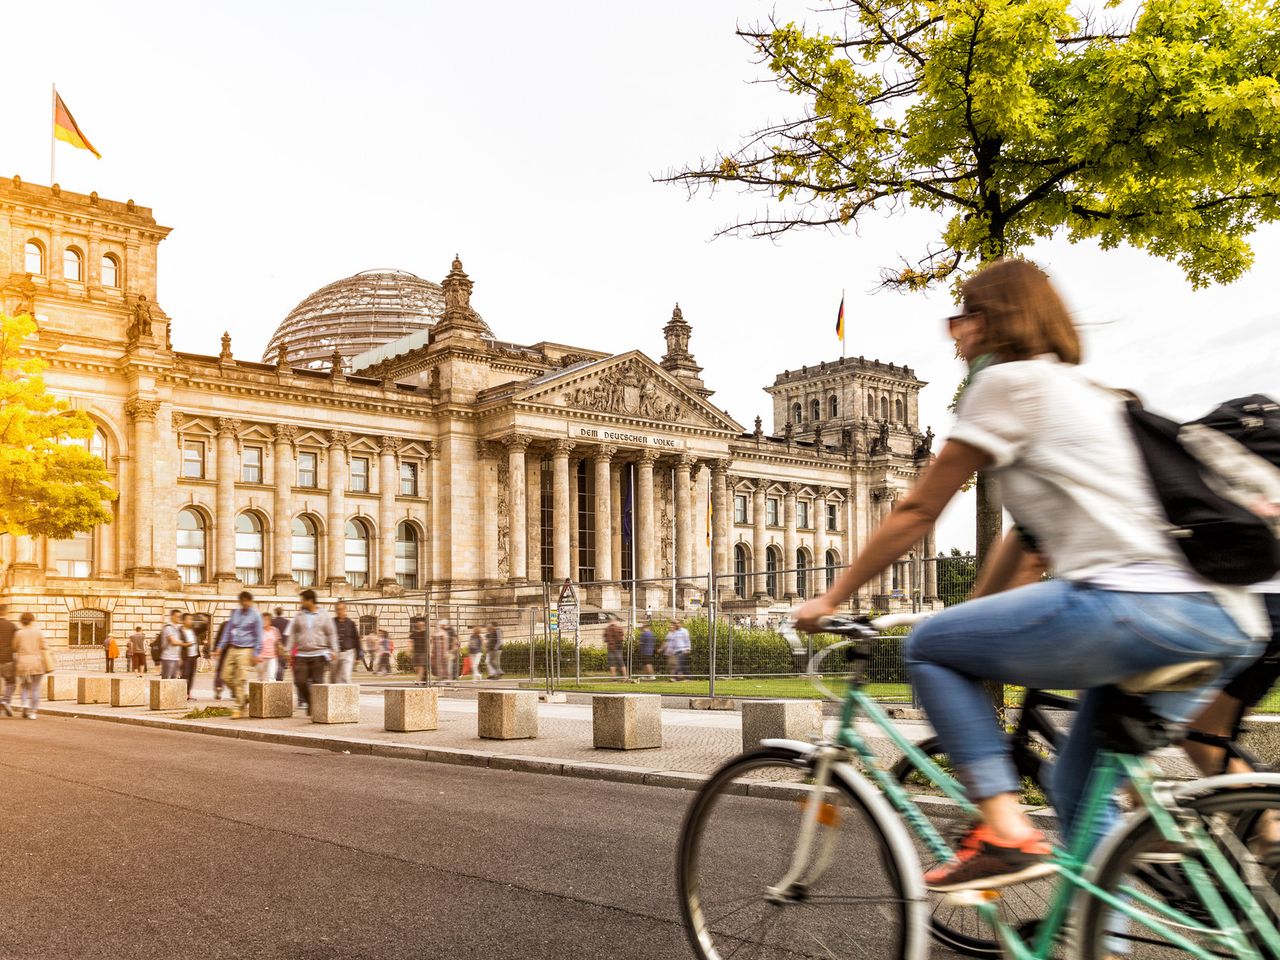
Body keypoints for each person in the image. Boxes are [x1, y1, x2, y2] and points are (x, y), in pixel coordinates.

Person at [795, 258, 1267, 892]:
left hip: (1130, 606)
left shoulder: (1005, 384)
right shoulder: (1100, 396)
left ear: (996, 321)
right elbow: (1034, 537)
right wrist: (985, 611)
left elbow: (917, 508)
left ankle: (1003, 830)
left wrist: (832, 597)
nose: (953, 330)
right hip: (1223, 618)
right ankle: (1107, 935)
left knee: (930, 645)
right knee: (1080, 792)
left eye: (964, 314)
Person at [286, 589, 337, 713]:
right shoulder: (299, 616)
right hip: (301, 654)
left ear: (310, 600)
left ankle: (317, 709)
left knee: (317, 683)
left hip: (319, 653)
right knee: (299, 681)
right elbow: (293, 633)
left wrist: (334, 650)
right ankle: (310, 702)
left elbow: (331, 634)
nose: (301, 602)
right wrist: (288, 651)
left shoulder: (324, 615)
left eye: (303, 600)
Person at [217, 591, 264, 718]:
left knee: (240, 678)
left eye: (247, 601)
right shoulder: (236, 613)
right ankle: (243, 697)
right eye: (242, 601)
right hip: (233, 647)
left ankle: (238, 707)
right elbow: (227, 631)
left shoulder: (256, 616)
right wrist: (220, 646)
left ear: (250, 601)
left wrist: (256, 653)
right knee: (225, 676)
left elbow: (259, 636)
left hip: (247, 649)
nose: (245, 603)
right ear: (240, 601)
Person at [13, 612, 48, 719]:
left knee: (24, 687)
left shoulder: (19, 633)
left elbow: (14, 647)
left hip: (22, 663)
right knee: (35, 688)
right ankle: (33, 712)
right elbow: (44, 646)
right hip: (36, 663)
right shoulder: (38, 633)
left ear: (21, 621)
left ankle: (25, 703)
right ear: (33, 620)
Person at [331, 601, 360, 684]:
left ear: (345, 609)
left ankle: (347, 695)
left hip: (348, 653)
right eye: (337, 609)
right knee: (333, 678)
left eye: (341, 609)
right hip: (335, 654)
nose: (339, 611)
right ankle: (334, 695)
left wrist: (358, 656)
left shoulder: (351, 623)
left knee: (346, 676)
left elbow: (356, 639)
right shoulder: (331, 622)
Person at [178, 614, 201, 700]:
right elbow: (177, 645)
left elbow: (203, 628)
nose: (191, 621)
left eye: (191, 619)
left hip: (194, 656)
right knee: (185, 675)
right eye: (189, 619)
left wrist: (205, 620)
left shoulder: (193, 630)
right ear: (183, 621)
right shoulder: (179, 631)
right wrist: (179, 657)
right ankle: (182, 693)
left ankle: (187, 694)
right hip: (185, 657)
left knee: (191, 675)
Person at [158, 609, 184, 680]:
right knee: (166, 680)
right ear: (172, 617)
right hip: (168, 657)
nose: (179, 618)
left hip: (176, 658)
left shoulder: (177, 628)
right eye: (177, 617)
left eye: (180, 617)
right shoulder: (168, 628)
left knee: (174, 680)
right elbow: (173, 642)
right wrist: (184, 643)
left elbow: (177, 643)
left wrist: (180, 657)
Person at [0, 605, 15, 717]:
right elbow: (16, 644)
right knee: (11, 682)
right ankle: (5, 700)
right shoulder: (11, 626)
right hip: (7, 659)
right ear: (6, 612)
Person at [258, 616, 281, 683]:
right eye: (263, 620)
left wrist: (278, 651)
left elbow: (277, 642)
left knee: (271, 676)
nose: (264, 622)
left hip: (272, 657)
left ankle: (272, 692)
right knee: (261, 677)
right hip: (261, 657)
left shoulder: (274, 630)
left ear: (270, 621)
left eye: (266, 620)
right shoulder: (259, 631)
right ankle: (262, 692)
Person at [271, 607, 290, 681]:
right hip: (284, 645)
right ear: (282, 612)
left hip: (274, 645)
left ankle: (275, 678)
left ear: (275, 612)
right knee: (281, 664)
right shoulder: (287, 622)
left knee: (274, 664)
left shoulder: (272, 621)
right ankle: (279, 679)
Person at [411, 618, 430, 684]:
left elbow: (428, 641)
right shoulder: (414, 633)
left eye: (422, 625)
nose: (420, 626)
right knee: (416, 668)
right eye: (419, 624)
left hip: (423, 652)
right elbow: (411, 642)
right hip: (416, 652)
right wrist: (408, 650)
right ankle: (422, 679)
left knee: (421, 667)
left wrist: (430, 651)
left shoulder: (426, 633)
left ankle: (418, 681)